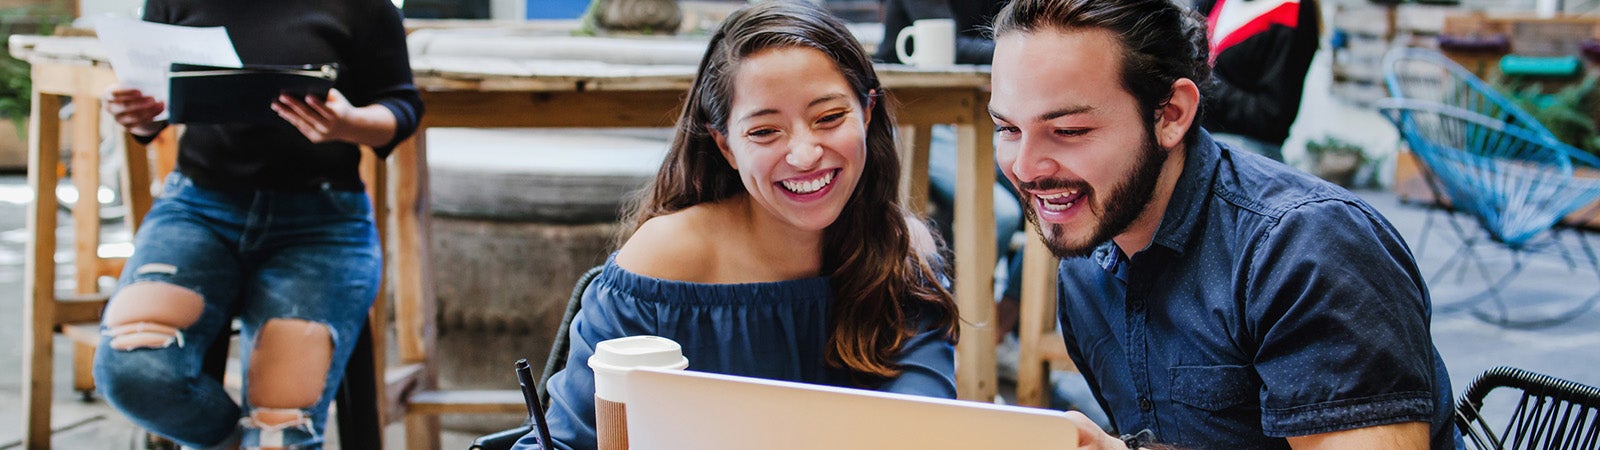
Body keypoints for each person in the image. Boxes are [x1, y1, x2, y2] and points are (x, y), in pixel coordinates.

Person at [985, 0, 1461, 448]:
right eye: (1007, 129)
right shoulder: (1089, 268)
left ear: (1171, 115)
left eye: (1068, 131)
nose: (1025, 168)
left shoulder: (1304, 250)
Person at [513, 1, 960, 449]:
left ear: (866, 112)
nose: (804, 154)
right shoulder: (667, 258)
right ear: (725, 145)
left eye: (829, 118)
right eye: (765, 131)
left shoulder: (903, 254)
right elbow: (566, 439)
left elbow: (926, 429)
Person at [95, 0, 423, 448]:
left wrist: (349, 123)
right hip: (197, 210)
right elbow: (154, 104)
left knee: (280, 429)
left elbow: (402, 108)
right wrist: (138, 115)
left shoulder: (366, 7)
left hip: (322, 226)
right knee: (134, 374)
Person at [1195, 0, 1320, 162]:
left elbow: (1272, 117)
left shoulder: (1291, 13)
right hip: (1200, 138)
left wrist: (1203, 82)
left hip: (1243, 156)